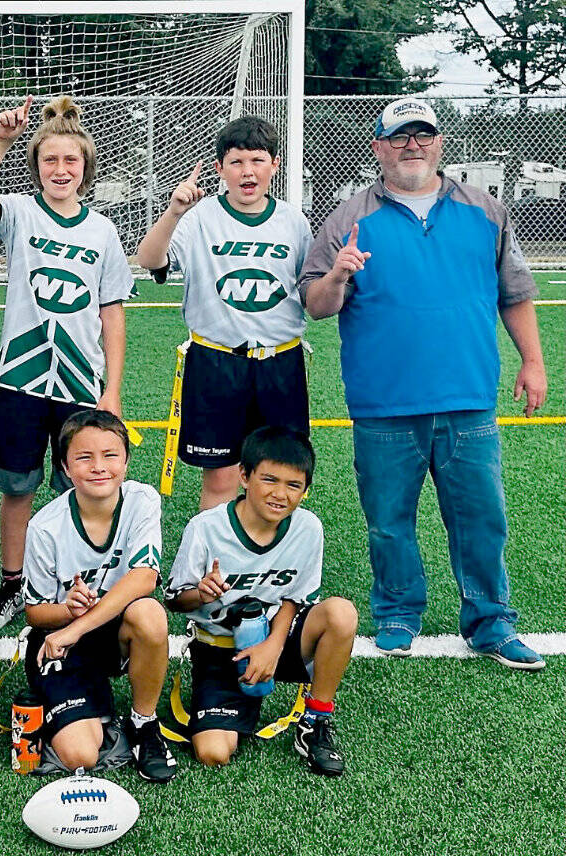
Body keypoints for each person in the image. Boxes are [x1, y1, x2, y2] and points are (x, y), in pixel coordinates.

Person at [300, 97, 547, 670]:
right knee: (389, 523)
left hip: (468, 400)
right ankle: (397, 611)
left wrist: (532, 362)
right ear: (378, 146)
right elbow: (316, 305)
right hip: (384, 405)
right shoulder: (346, 218)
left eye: (423, 135)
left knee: (482, 519)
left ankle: (491, 621)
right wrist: (338, 273)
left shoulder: (484, 210)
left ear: (439, 142)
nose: (413, 145)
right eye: (400, 136)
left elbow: (515, 293)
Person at [0, 96, 131, 633]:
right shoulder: (21, 213)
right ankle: (14, 582)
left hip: (81, 380)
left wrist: (113, 389)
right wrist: (2, 141)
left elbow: (112, 314)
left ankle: (68, 584)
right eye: (49, 161)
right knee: (17, 485)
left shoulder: (102, 231)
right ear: (36, 167)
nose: (61, 170)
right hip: (23, 376)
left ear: (86, 169)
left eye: (71, 162)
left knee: (78, 486)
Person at [136, 116, 313, 511]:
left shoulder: (293, 221)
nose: (247, 171)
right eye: (236, 162)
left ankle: (266, 565)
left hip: (279, 361)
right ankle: (214, 567)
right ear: (219, 169)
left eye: (257, 160)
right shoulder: (198, 217)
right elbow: (149, 259)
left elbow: (310, 289)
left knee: (280, 475)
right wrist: (174, 212)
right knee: (221, 477)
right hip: (216, 360)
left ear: (275, 164)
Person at [166, 426, 356, 776]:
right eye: (269, 480)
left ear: (306, 490)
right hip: (221, 647)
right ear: (244, 476)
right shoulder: (206, 527)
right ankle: (234, 701)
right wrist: (200, 592)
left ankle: (315, 719)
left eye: (293, 485)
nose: (280, 494)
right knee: (213, 752)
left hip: (276, 637)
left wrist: (272, 645)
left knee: (341, 614)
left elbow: (295, 598)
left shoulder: (307, 528)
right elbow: (175, 601)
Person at [22, 411, 176, 782]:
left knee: (149, 613)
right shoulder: (45, 525)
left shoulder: (142, 501)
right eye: (84, 457)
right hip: (61, 644)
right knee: (80, 755)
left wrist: (78, 626)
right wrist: (66, 611)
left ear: (126, 461)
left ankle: (143, 724)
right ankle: (79, 708)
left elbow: (144, 578)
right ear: (64, 466)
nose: (99, 467)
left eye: (110, 455)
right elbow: (34, 615)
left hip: (101, 634)